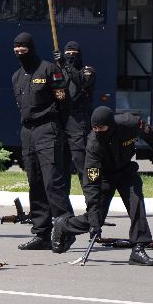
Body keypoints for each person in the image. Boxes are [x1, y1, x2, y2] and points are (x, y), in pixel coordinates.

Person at [53, 107, 153, 265]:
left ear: (110, 125)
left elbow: (151, 134)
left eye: (101, 127)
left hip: (126, 170)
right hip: (105, 176)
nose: (98, 131)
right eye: (95, 128)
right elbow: (91, 185)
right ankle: (63, 225)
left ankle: (138, 249)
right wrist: (94, 221)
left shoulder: (129, 123)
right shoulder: (93, 143)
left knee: (136, 203)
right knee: (96, 217)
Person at [11, 32, 74, 250]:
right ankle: (42, 233)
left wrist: (62, 130)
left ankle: (66, 229)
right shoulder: (17, 76)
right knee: (35, 183)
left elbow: (63, 103)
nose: (20, 52)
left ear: (32, 47)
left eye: (23, 48)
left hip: (48, 129)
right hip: (27, 132)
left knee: (52, 182)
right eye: (16, 48)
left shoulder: (49, 70)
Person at [57, 41, 96, 191]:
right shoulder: (61, 70)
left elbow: (81, 81)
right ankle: (63, 209)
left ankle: (92, 206)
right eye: (67, 54)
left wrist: (65, 65)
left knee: (81, 163)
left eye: (74, 54)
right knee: (62, 166)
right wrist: (60, 66)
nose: (70, 57)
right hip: (62, 120)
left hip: (78, 121)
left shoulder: (87, 71)